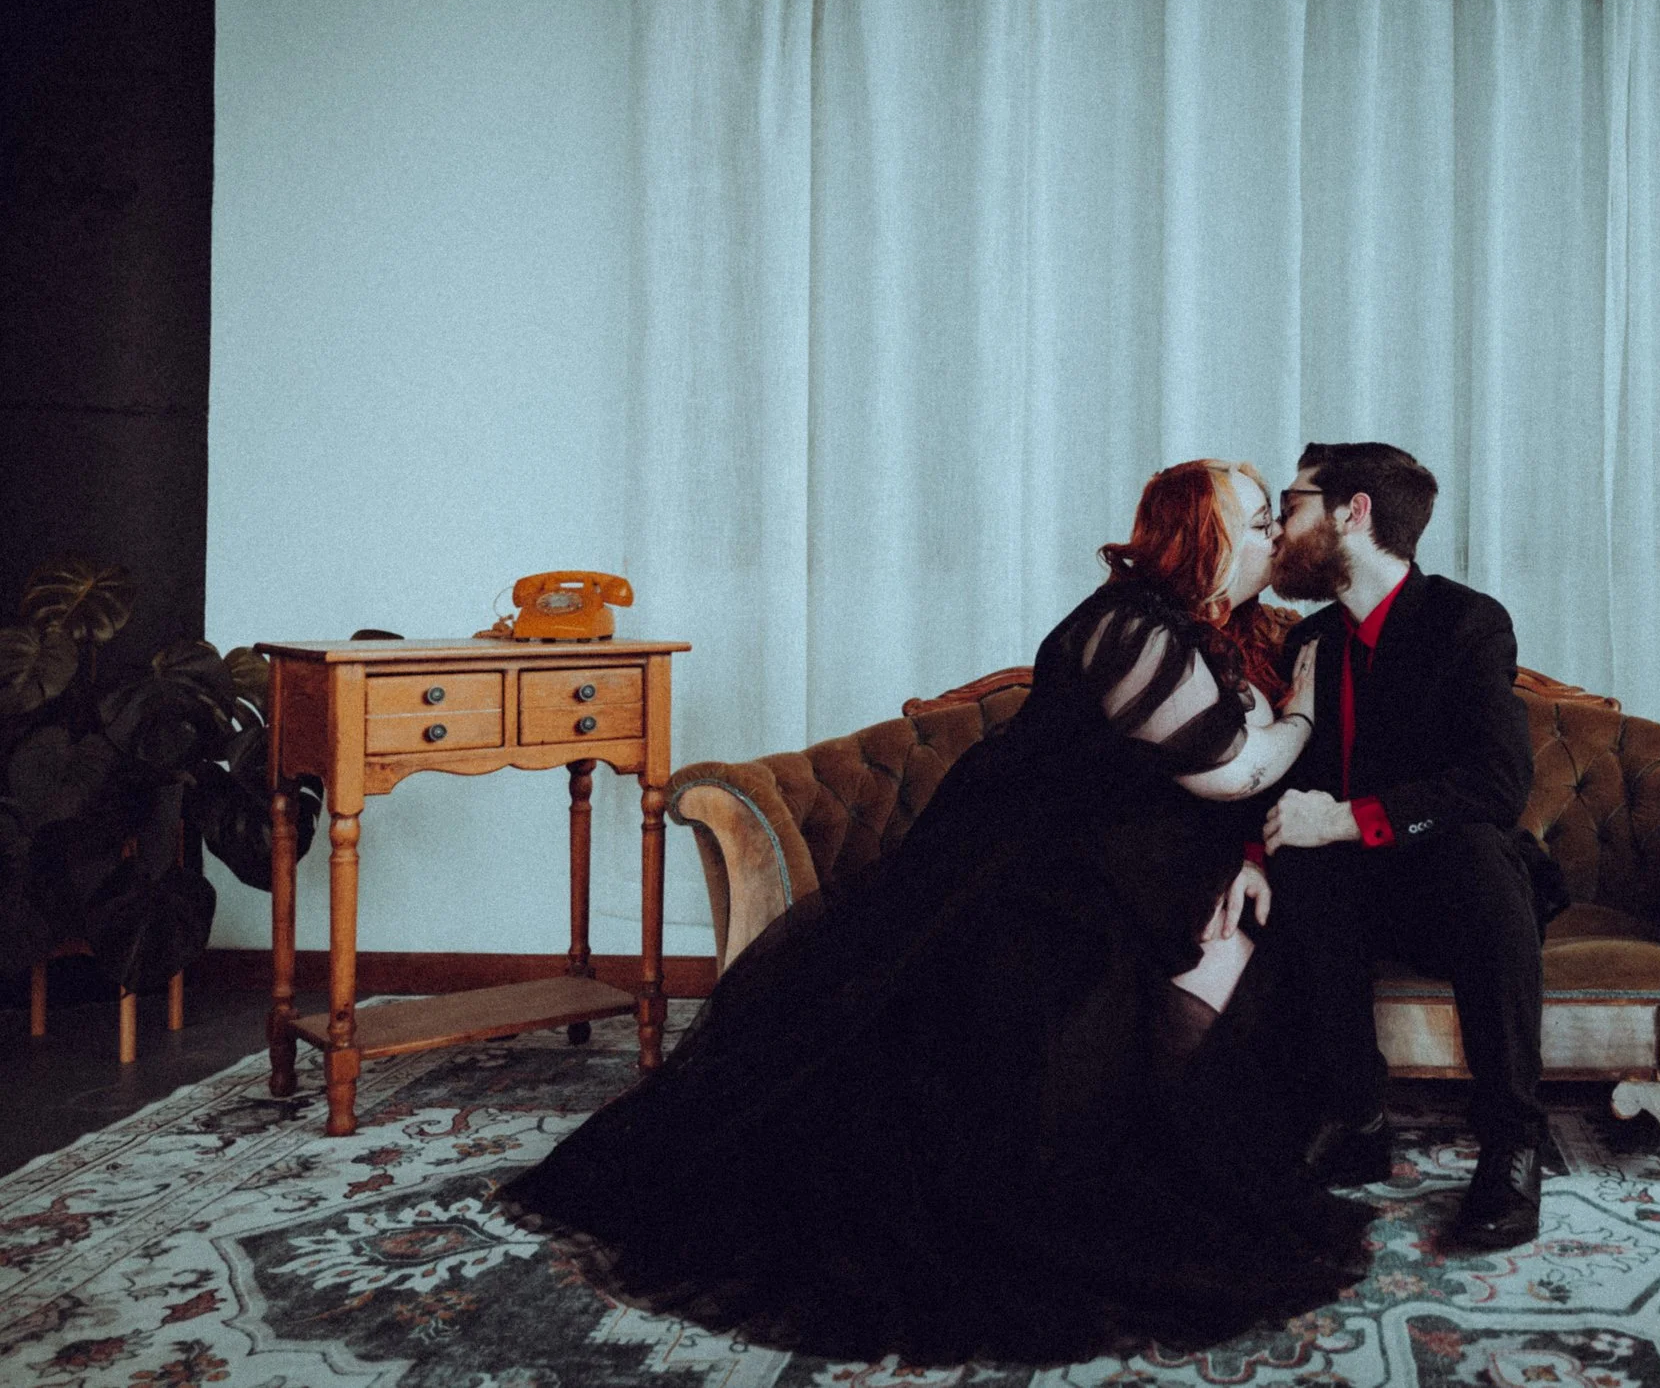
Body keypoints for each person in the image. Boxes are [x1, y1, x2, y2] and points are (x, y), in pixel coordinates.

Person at [496, 460, 1371, 1365]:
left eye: (1275, 519)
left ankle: (1175, 1155)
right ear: (1205, 539)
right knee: (1006, 1068)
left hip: (1128, 866)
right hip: (1038, 862)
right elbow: (1232, 768)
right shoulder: (1129, 624)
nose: (1273, 536)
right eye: (1258, 520)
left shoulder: (1213, 628)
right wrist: (1300, 715)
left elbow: (1223, 791)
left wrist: (1249, 847)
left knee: (1213, 976)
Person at [1258, 441, 1552, 1252]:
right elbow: (1281, 782)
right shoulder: (1309, 642)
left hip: (1446, 889)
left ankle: (1513, 1140)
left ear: (1354, 513)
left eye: (1293, 504)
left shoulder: (1467, 622)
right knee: (1300, 858)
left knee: (1480, 854)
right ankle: (1356, 1118)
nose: (1280, 526)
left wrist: (1350, 819)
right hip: (1348, 897)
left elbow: (1496, 783)